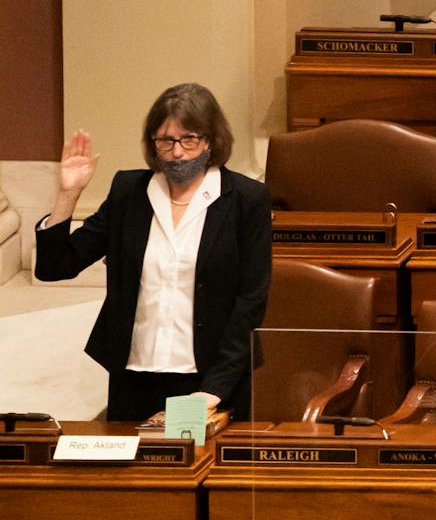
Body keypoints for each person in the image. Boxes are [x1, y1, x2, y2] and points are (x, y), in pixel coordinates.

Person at [36, 84, 273, 423]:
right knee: (131, 474)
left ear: (210, 140)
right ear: (153, 144)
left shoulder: (246, 200)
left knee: (191, 470)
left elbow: (250, 301)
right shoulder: (128, 193)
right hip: (134, 377)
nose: (177, 152)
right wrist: (68, 194)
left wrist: (213, 390)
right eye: (165, 140)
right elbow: (55, 266)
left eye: (188, 139)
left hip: (207, 381)